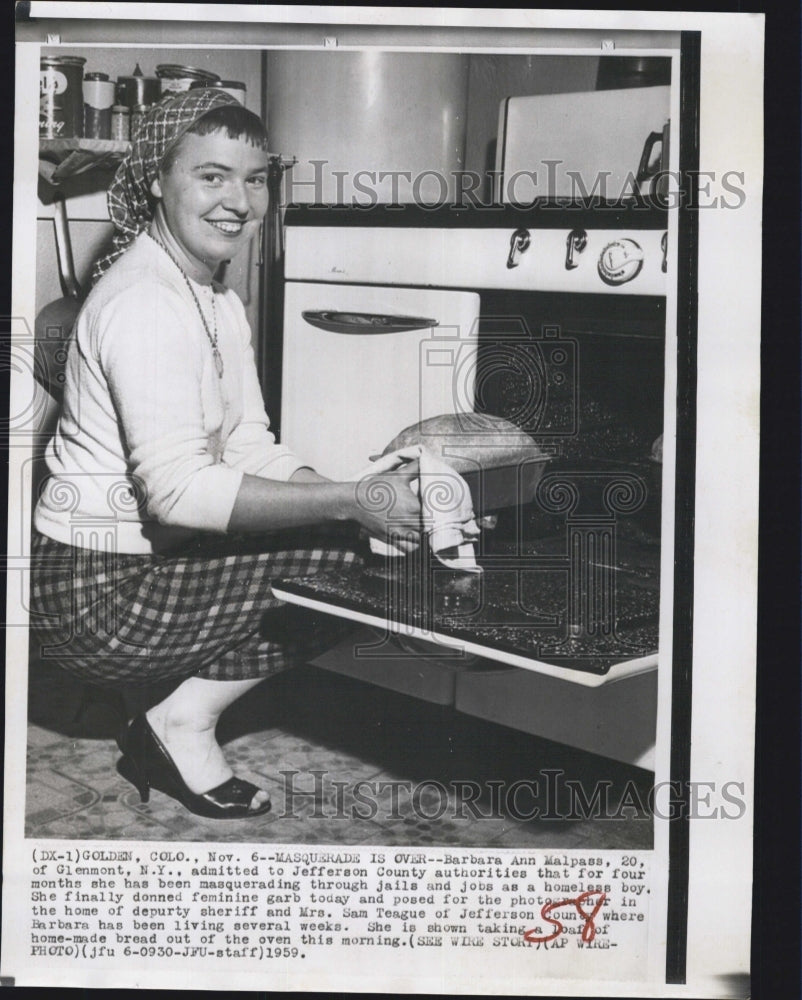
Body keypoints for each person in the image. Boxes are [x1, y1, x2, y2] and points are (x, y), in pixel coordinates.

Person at [30, 89, 422, 820]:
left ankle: (165, 706)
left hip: (132, 565)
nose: (239, 201)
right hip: (88, 596)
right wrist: (350, 505)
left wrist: (352, 493)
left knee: (352, 533)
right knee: (354, 563)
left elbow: (248, 446)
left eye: (255, 178)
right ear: (156, 179)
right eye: (211, 176)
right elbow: (178, 494)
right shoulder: (145, 302)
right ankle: (179, 721)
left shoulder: (213, 297)